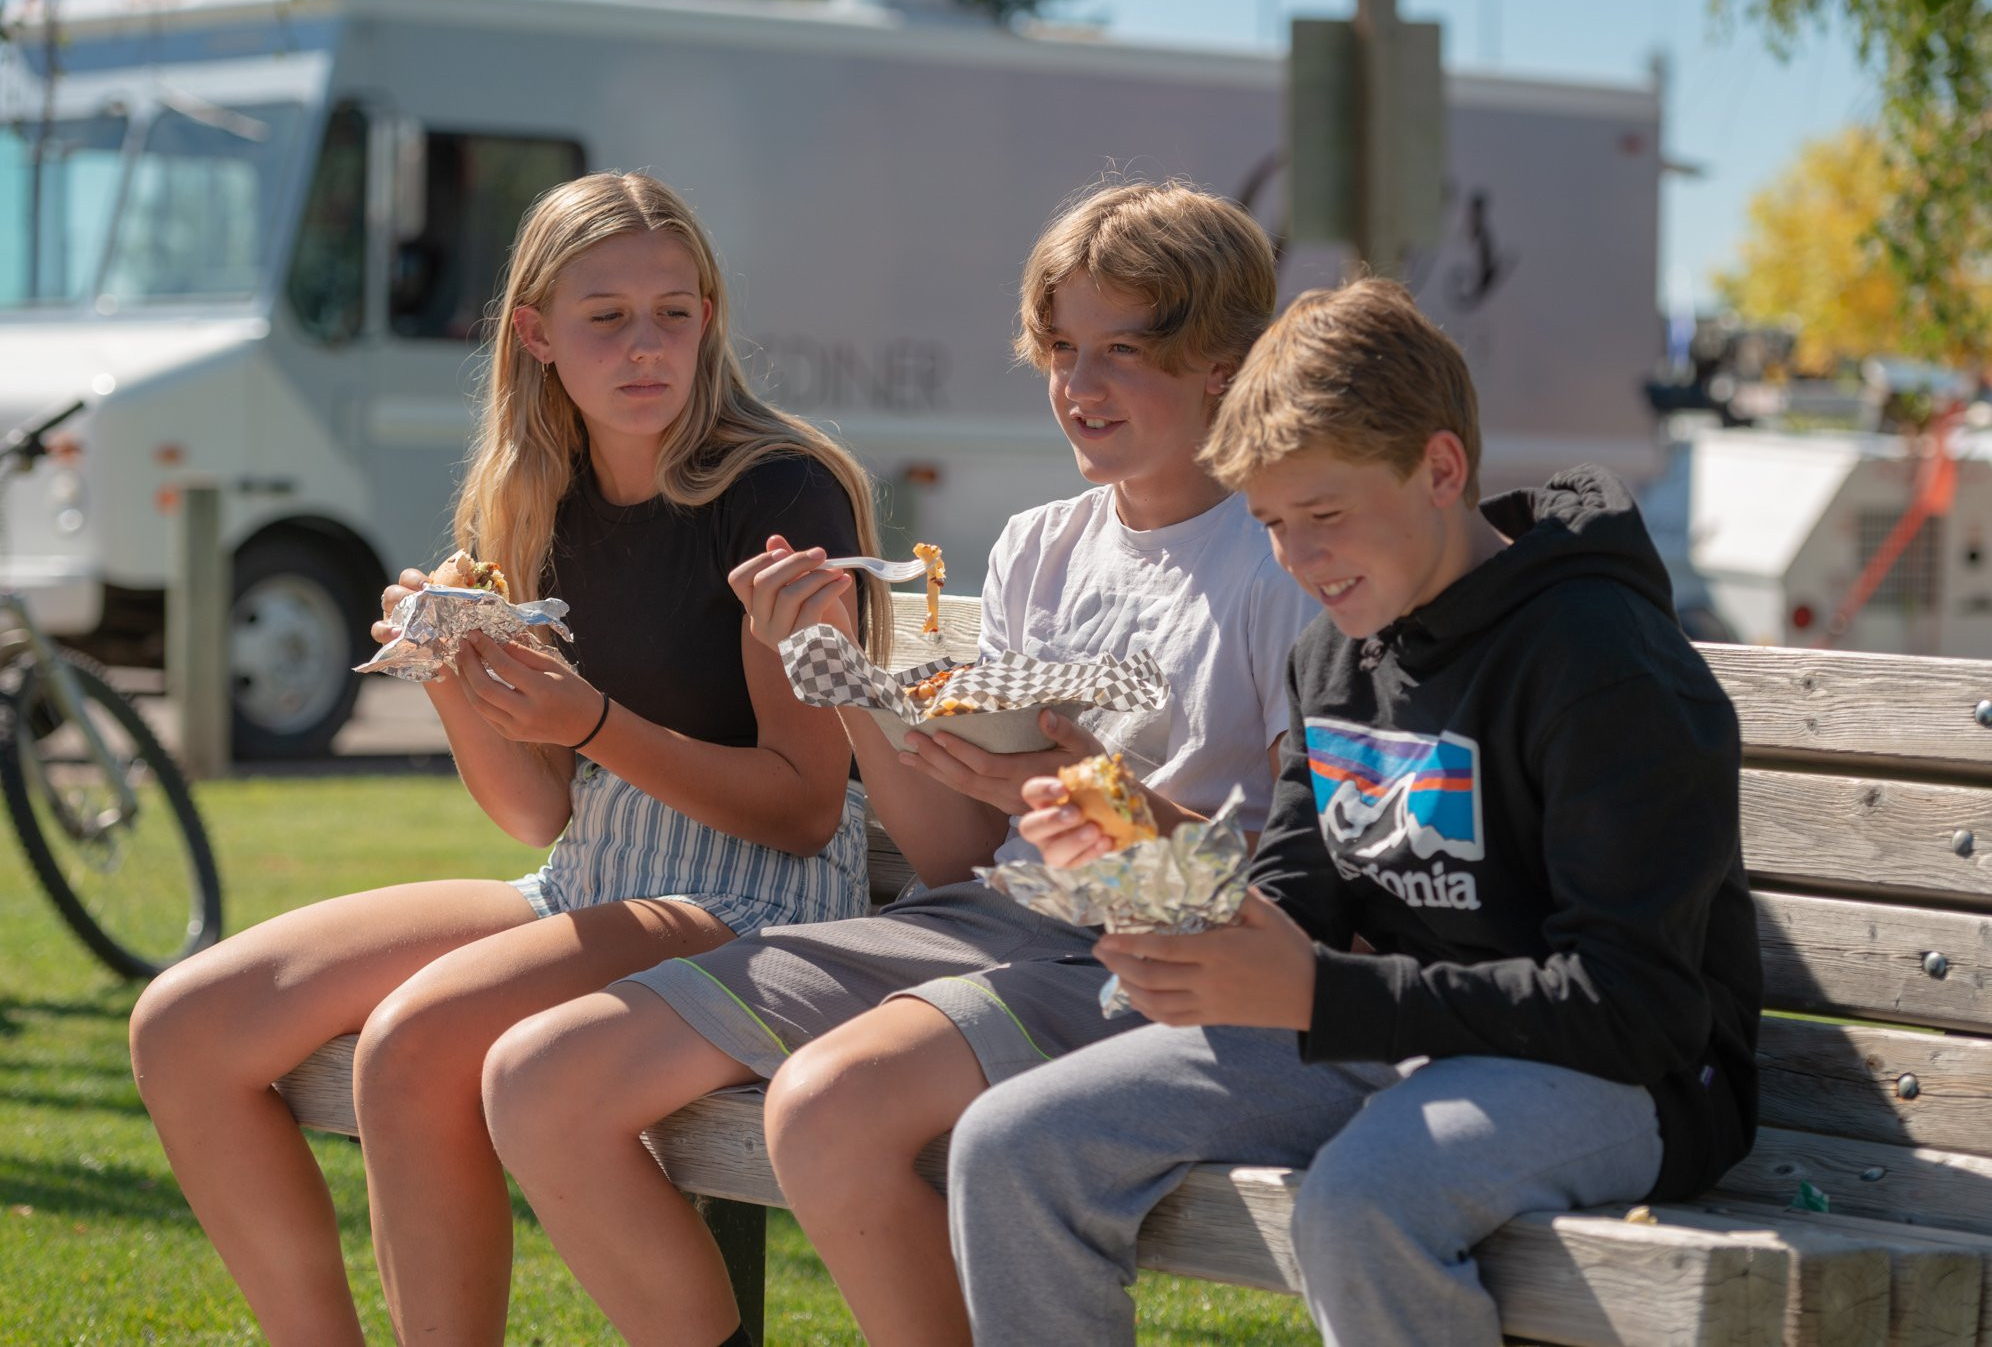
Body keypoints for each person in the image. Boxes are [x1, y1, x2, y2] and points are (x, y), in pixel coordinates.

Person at [485, 179, 1313, 1347]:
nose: (1079, 389)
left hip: (1167, 959)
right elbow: (954, 855)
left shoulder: (1284, 558)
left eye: (1123, 352)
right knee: (541, 1075)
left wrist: (1097, 802)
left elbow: (1289, 902)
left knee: (827, 1108)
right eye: (1061, 350)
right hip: (990, 919)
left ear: (1226, 362)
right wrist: (842, 672)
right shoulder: (1043, 544)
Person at [128, 171, 890, 1347]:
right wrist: (454, 676)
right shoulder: (528, 501)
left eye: (674, 312)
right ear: (534, 334)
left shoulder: (778, 492)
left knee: (416, 1041)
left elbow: (799, 810)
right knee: (185, 1024)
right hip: (591, 878)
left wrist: (590, 724)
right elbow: (534, 813)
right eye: (606, 318)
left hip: (761, 903)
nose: (648, 347)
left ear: (709, 317)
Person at [947, 277, 1761, 1347]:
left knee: (1362, 1200)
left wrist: (1326, 994)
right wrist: (1130, 870)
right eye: (1272, 525)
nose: (1297, 561)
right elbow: (1294, 900)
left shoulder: (1598, 662)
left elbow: (1636, 1006)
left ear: (1439, 468)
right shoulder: (1333, 654)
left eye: (1323, 516)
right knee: (1012, 1144)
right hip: (1384, 1034)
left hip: (1620, 1076)